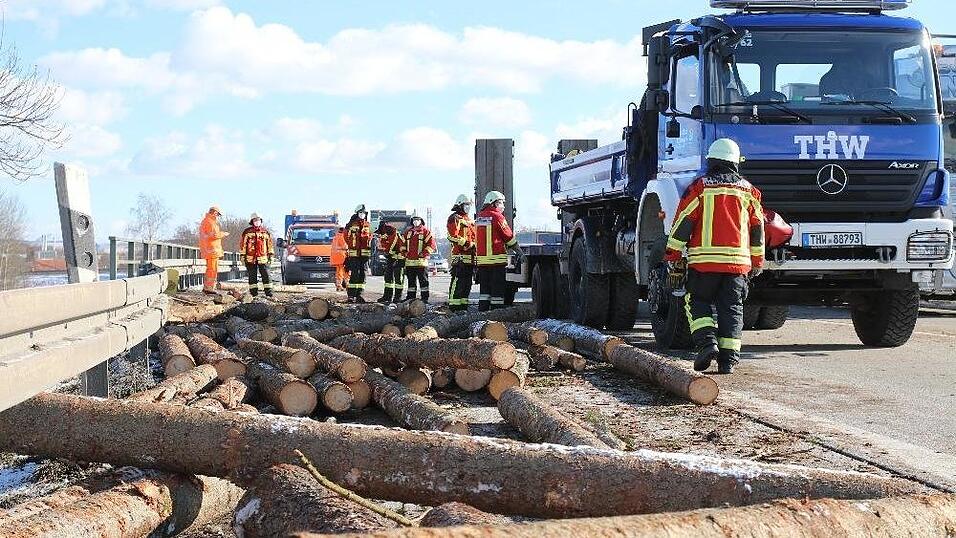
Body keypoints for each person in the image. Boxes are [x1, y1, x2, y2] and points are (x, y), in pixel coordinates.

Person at [665, 138, 764, 375]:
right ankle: (728, 360)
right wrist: (757, 261)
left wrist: (673, 255)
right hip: (738, 266)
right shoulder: (749, 191)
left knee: (696, 303)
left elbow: (683, 222)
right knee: (732, 309)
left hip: (704, 264)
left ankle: (707, 344)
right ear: (735, 163)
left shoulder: (700, 187)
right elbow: (758, 228)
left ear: (711, 161)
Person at [475, 191, 520, 311]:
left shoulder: (479, 217)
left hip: (482, 262)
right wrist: (518, 250)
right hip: (496, 261)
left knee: (484, 290)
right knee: (497, 289)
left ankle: (483, 311)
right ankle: (496, 312)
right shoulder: (497, 217)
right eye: (500, 203)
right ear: (493, 203)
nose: (503, 206)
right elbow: (508, 237)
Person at [446, 194, 476, 312]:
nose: (468, 207)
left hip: (470, 258)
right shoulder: (455, 218)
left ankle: (463, 307)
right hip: (460, 257)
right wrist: (467, 243)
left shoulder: (469, 220)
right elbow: (452, 236)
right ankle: (454, 307)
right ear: (460, 205)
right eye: (466, 204)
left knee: (467, 284)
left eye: (469, 205)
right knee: (458, 282)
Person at [239, 213, 275, 297]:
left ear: (261, 221)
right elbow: (243, 245)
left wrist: (271, 255)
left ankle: (269, 293)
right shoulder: (247, 232)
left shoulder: (265, 232)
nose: (257, 221)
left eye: (258, 220)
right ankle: (253, 294)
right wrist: (242, 256)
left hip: (263, 258)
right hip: (250, 258)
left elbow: (269, 245)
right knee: (252, 276)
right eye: (255, 220)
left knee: (266, 275)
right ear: (252, 221)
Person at [403, 214, 436, 302]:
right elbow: (402, 244)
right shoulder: (408, 232)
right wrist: (404, 252)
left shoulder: (426, 232)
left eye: (417, 219)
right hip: (409, 263)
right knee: (411, 282)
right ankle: (410, 298)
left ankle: (424, 299)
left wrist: (424, 253)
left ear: (421, 221)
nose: (415, 221)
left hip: (421, 263)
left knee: (423, 282)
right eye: (414, 220)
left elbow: (431, 245)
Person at [198, 206, 229, 294]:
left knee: (211, 269)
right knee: (212, 269)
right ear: (215, 212)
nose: (217, 216)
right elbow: (214, 235)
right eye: (217, 214)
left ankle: (208, 287)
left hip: (209, 250)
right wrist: (223, 234)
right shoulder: (210, 222)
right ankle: (209, 287)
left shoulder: (207, 221)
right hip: (211, 250)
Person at [344, 205, 371, 303]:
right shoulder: (351, 224)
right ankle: (351, 295)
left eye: (364, 213)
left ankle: (360, 295)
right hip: (354, 254)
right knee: (355, 274)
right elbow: (346, 237)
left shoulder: (368, 225)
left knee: (363, 275)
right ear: (357, 214)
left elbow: (370, 238)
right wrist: (352, 246)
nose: (362, 215)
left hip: (364, 255)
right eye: (360, 213)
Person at [375, 221, 406, 303]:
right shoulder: (387, 235)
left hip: (399, 259)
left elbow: (395, 247)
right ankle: (387, 296)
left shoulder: (393, 234)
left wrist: (398, 259)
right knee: (388, 278)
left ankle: (397, 297)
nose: (380, 235)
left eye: (381, 233)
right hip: (391, 259)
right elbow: (385, 247)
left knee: (398, 279)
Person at [331, 226, 349, 291]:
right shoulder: (343, 237)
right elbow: (345, 246)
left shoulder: (335, 237)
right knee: (346, 271)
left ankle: (339, 285)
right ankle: (347, 284)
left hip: (336, 257)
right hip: (342, 256)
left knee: (339, 272)